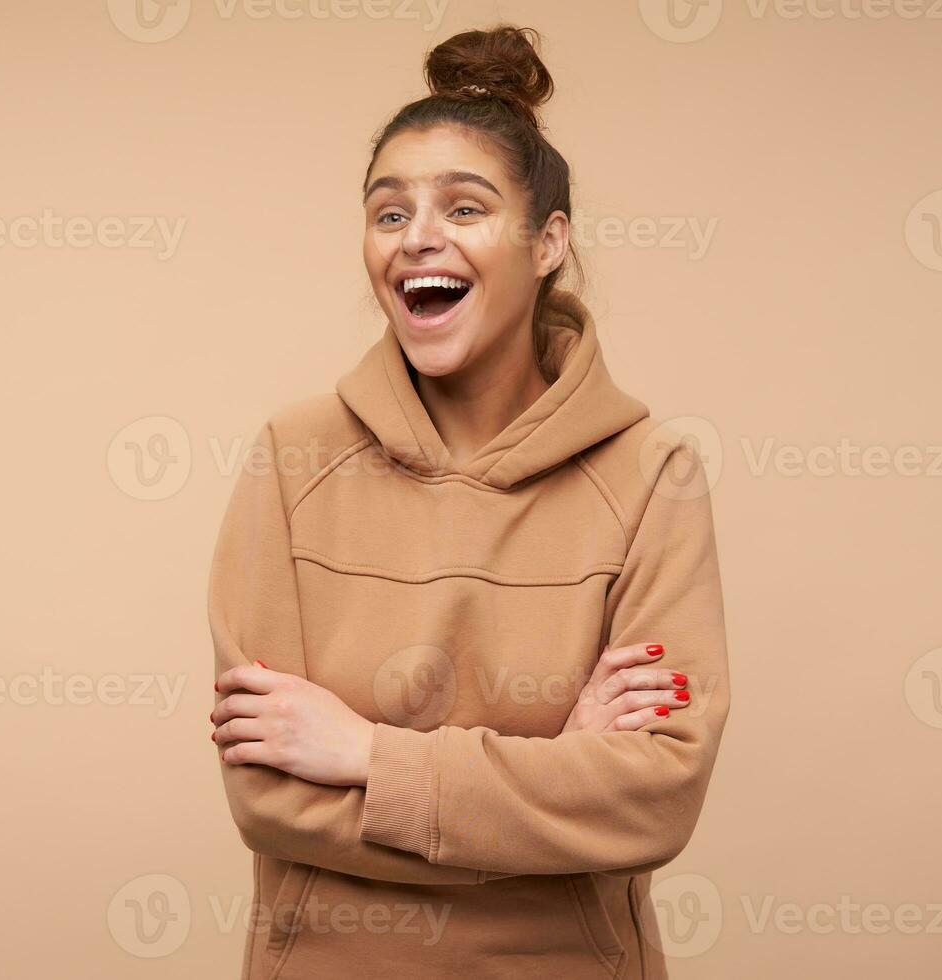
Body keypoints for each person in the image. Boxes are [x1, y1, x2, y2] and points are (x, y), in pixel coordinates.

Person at [207, 24, 730, 979]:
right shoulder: (293, 456)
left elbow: (653, 796)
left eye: (465, 208)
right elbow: (268, 799)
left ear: (548, 242)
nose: (420, 240)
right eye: (389, 212)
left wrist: (367, 753)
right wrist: (554, 786)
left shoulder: (654, 474)